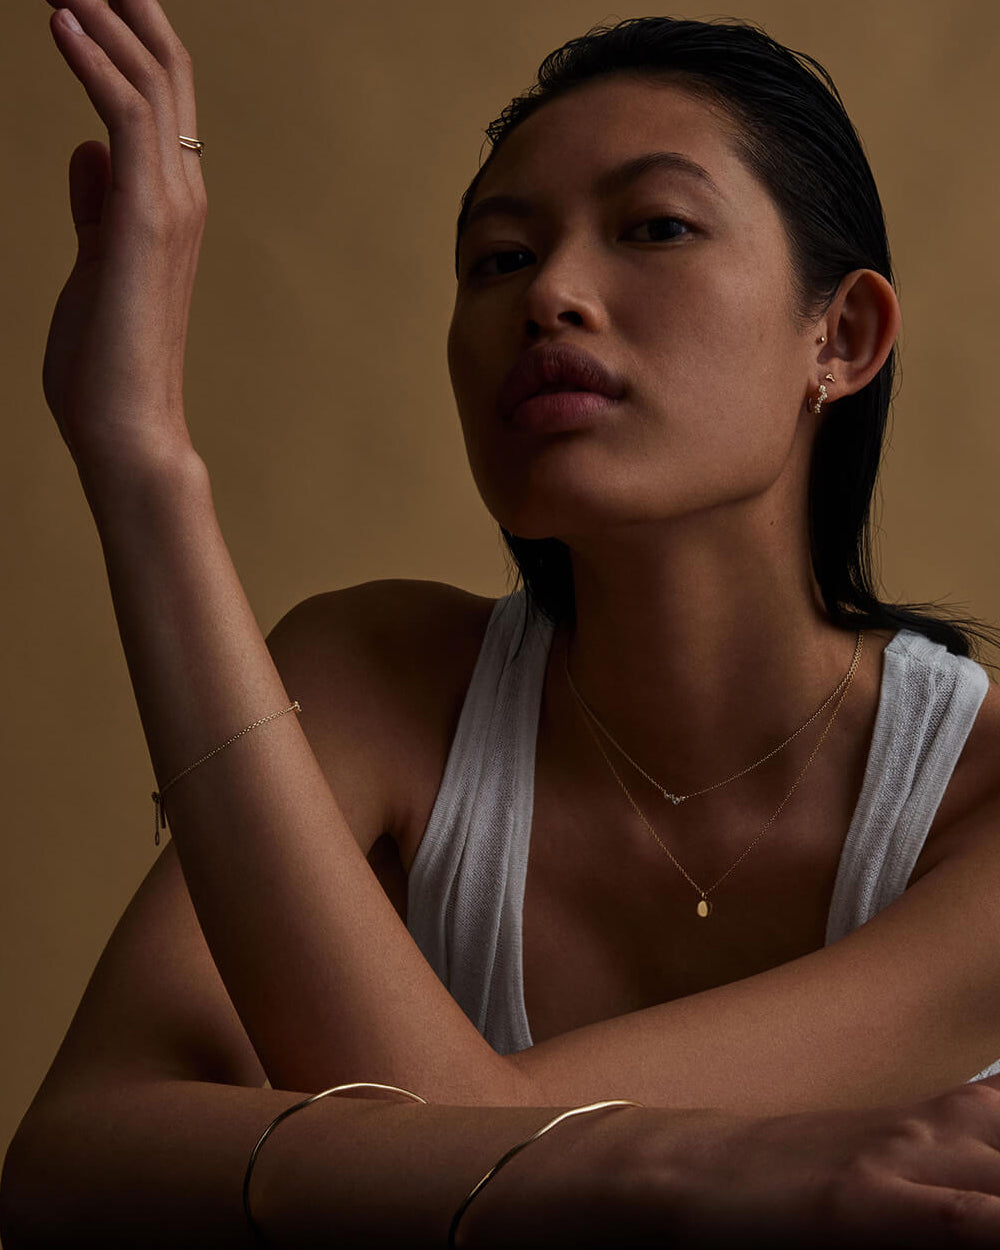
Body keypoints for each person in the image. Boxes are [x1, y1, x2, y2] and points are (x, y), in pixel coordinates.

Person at [3, 2, 1000, 1247]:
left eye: (655, 226)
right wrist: (137, 453)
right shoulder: (376, 683)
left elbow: (473, 1129)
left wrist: (324, 1159)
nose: (551, 296)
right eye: (498, 258)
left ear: (840, 337)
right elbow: (68, 1160)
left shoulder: (977, 800)